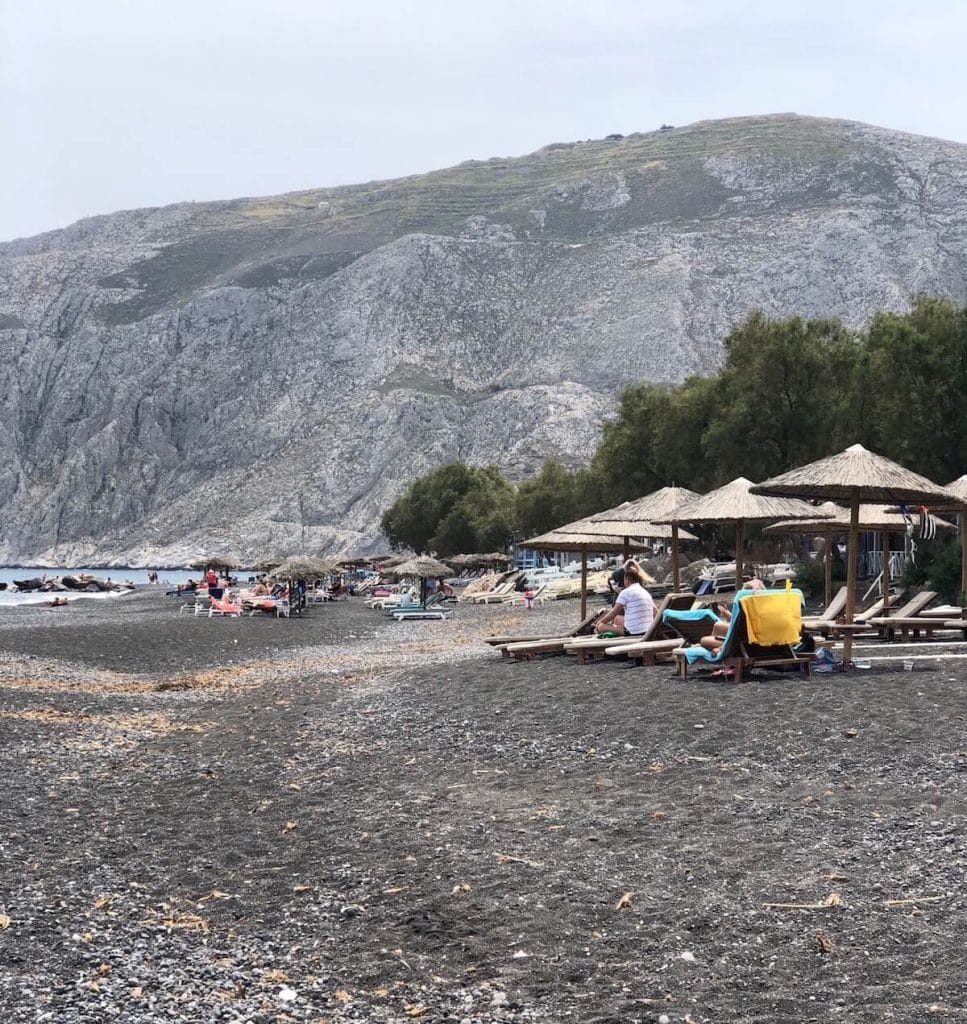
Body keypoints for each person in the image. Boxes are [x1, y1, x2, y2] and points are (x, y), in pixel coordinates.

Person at [595, 560, 655, 637]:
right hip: (648, 630)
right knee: (618, 618)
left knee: (601, 626)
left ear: (626, 579)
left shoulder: (625, 592)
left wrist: (599, 623)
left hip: (633, 632)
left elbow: (613, 613)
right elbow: (655, 612)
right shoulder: (646, 593)